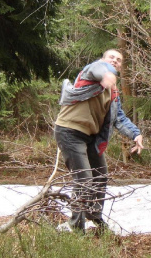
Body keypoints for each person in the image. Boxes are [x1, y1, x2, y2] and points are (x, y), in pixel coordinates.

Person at [54, 49, 144, 233]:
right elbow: (97, 69)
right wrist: (105, 75)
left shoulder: (113, 92)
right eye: (112, 57)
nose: (115, 61)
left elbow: (119, 118)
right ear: (104, 59)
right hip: (70, 131)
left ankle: (94, 217)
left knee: (100, 175)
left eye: (119, 60)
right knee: (84, 179)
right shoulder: (93, 71)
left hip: (90, 138)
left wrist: (136, 134)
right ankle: (76, 227)